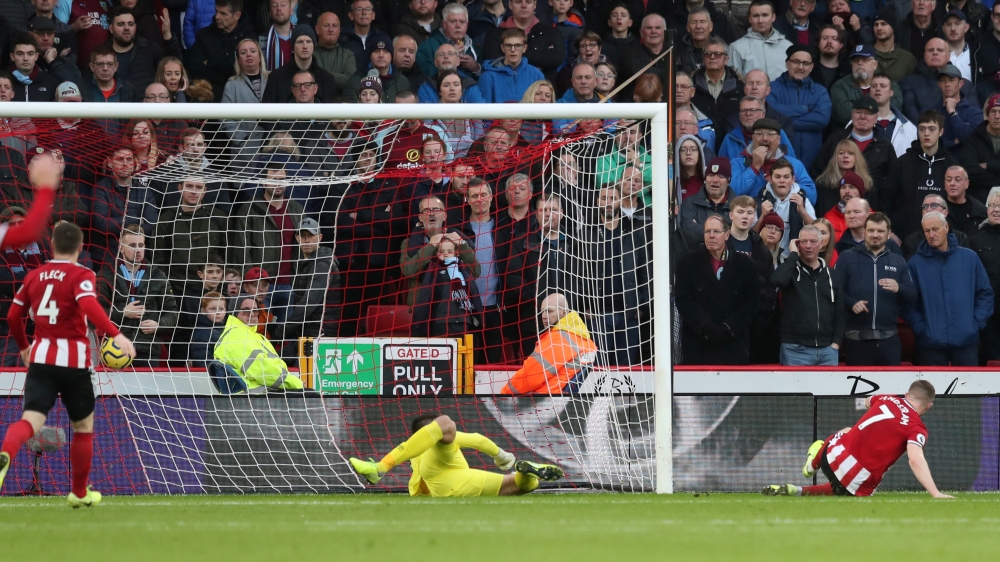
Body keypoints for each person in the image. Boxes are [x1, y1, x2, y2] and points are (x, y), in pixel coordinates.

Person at [0, 220, 137, 507]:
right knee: (83, 427)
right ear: (80, 247)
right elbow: (89, 306)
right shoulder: (82, 274)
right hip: (74, 362)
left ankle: (6, 454)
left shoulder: (35, 276)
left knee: (30, 421)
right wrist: (116, 334)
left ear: (51, 245)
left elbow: (13, 316)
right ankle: (78, 492)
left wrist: (24, 347)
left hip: (41, 359)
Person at [763, 380, 952, 498]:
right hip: (858, 482)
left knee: (846, 431)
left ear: (906, 394)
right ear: (929, 406)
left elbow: (866, 402)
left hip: (832, 456)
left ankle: (807, 474)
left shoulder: (886, 398)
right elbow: (915, 459)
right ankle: (807, 475)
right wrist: (935, 493)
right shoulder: (917, 427)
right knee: (848, 486)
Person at [349, 413, 563, 495]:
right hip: (461, 478)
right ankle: (525, 471)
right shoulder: (436, 443)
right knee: (445, 422)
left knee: (518, 486)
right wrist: (501, 456)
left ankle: (379, 469)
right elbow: (478, 439)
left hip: (447, 485)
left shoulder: (412, 448)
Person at [904, 211, 994, 365]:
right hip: (930, 345)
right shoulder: (915, 264)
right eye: (927, 231)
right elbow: (908, 302)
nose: (931, 234)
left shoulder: (969, 258)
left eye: (935, 229)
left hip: (966, 343)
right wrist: (922, 330)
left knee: (967, 389)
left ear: (946, 227)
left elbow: (985, 294)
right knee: (932, 389)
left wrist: (974, 325)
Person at [675, 214, 760, 365]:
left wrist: (727, 329)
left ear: (727, 234)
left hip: (733, 341)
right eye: (707, 232)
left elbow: (750, 303)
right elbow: (684, 300)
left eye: (716, 231)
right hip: (698, 341)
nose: (711, 236)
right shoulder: (687, 262)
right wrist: (706, 327)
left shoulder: (746, 265)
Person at [833, 212, 916, 365]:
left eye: (880, 231)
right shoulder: (847, 257)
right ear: (864, 232)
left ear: (889, 234)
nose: (875, 235)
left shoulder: (898, 261)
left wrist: (899, 288)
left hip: (889, 338)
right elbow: (834, 291)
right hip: (856, 338)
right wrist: (851, 303)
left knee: (890, 388)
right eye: (871, 230)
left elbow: (912, 296)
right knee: (857, 388)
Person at [98, 224, 179, 368]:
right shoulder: (106, 275)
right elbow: (96, 313)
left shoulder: (158, 276)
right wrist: (123, 313)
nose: (138, 250)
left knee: (147, 391)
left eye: (141, 245)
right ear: (121, 248)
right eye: (132, 245)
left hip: (147, 349)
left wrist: (158, 325)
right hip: (116, 348)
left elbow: (172, 313)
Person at [771, 224, 846, 366]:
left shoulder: (832, 274)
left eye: (813, 241)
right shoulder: (791, 270)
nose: (808, 246)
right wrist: (793, 255)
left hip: (827, 350)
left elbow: (839, 312)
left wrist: (835, 343)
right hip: (795, 349)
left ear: (821, 243)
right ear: (797, 244)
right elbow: (777, 280)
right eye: (803, 242)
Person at [501, 292, 597, 393]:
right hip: (562, 400)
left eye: (549, 311)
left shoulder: (557, 340)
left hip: (543, 401)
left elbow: (529, 376)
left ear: (563, 313)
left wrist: (504, 394)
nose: (544, 316)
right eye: (542, 312)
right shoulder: (585, 340)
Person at [401, 195, 480, 306]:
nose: (431, 213)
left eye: (436, 209)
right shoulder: (408, 243)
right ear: (420, 217)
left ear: (444, 215)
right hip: (422, 307)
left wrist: (462, 245)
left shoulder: (457, 240)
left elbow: (476, 272)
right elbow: (408, 271)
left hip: (453, 307)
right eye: (426, 211)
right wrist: (431, 245)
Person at [214, 295, 304, 391]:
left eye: (255, 310)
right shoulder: (235, 336)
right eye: (246, 310)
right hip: (254, 396)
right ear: (234, 312)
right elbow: (262, 371)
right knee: (311, 395)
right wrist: (296, 383)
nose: (252, 314)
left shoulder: (252, 335)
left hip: (262, 393)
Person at [768, 44, 832, 168]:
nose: (800, 67)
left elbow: (822, 119)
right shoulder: (772, 88)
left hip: (813, 162)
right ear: (787, 63)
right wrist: (806, 109)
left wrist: (785, 122)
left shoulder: (820, 91)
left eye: (805, 63)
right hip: (780, 160)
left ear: (811, 67)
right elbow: (772, 115)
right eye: (796, 62)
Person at [188, 0, 257, 103]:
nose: (217, 17)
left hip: (242, 98)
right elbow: (194, 66)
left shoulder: (249, 37)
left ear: (237, 16)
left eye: (223, 13)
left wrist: (211, 63)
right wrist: (225, 75)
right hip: (210, 98)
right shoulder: (204, 35)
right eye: (216, 11)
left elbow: (246, 68)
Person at [481, 0, 565, 83]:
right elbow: (494, 62)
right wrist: (541, 60)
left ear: (535, 5)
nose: (524, 6)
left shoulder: (552, 33)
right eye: (518, 2)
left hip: (542, 92)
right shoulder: (494, 34)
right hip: (507, 90)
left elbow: (557, 58)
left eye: (528, 2)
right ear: (510, 4)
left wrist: (511, 56)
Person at [105, 5, 182, 94]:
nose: (126, 28)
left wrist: (167, 35)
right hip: (115, 106)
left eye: (130, 24)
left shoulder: (149, 49)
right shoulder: (103, 54)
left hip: (147, 105)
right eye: (121, 24)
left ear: (135, 27)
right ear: (111, 28)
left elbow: (175, 63)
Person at [753, 157, 816, 255]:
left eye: (786, 177)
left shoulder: (803, 201)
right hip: (764, 257)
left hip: (793, 259)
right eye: (777, 177)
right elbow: (751, 235)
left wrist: (802, 212)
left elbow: (816, 231)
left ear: (793, 180)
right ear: (769, 179)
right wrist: (762, 216)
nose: (782, 181)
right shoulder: (759, 201)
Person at [830, 43, 902, 128]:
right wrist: (877, 105)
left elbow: (894, 108)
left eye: (865, 60)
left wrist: (857, 107)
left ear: (875, 65)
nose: (860, 63)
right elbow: (843, 113)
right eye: (856, 60)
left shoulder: (890, 85)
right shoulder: (839, 86)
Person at [262, 25, 339, 103]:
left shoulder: (327, 79)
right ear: (293, 47)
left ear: (314, 46)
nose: (305, 46)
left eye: (308, 41)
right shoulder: (276, 78)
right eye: (300, 42)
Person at [691, 37, 744, 151]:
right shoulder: (691, 86)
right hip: (701, 147)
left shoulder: (739, 88)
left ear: (726, 59)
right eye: (708, 54)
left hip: (732, 145)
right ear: (703, 58)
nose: (712, 57)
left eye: (718, 54)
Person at [968, 187, 1000, 362]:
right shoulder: (974, 239)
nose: (996, 209)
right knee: (990, 358)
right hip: (987, 312)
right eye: (992, 205)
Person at [477, 28, 544, 103]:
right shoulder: (488, 77)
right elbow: (484, 111)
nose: (513, 49)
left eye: (518, 45)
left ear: (524, 48)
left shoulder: (536, 75)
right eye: (508, 45)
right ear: (502, 48)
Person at [718, 97, 796, 162]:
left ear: (763, 114)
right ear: (739, 115)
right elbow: (721, 170)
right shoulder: (730, 138)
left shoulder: (777, 133)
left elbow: (792, 164)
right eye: (744, 111)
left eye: (753, 110)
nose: (748, 114)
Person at [728, 0, 792, 79]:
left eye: (765, 15)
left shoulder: (787, 47)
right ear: (749, 18)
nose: (760, 21)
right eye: (756, 16)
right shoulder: (736, 48)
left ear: (773, 17)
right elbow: (733, 83)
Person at [616, 14, 671, 102]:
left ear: (665, 32)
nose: (653, 31)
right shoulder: (629, 53)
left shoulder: (674, 53)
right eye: (649, 28)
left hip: (666, 108)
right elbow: (638, 73)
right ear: (641, 33)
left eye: (658, 28)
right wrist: (667, 72)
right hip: (634, 109)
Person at [957, 93, 1000, 203]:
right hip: (978, 202)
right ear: (987, 114)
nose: (997, 116)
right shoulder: (974, 138)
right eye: (993, 111)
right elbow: (970, 171)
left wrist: (988, 165)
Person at [814, 140, 872, 218]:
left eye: (850, 153)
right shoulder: (823, 184)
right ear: (835, 157)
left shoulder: (867, 184)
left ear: (857, 158)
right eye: (841, 153)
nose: (845, 156)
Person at [680, 156, 734, 234]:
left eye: (721, 176)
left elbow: (737, 234)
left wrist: (700, 228)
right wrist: (722, 231)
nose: (715, 180)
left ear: (728, 181)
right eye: (711, 175)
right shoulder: (689, 203)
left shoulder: (738, 206)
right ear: (705, 179)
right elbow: (687, 232)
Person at [870, 73, 917, 157]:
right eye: (874, 86)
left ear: (891, 93)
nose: (877, 89)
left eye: (883, 86)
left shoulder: (909, 128)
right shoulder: (856, 123)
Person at [312, 12, 357, 92]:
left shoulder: (347, 55)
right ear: (317, 29)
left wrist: (320, 75)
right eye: (326, 26)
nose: (331, 30)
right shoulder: (310, 54)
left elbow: (351, 81)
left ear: (339, 31)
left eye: (335, 26)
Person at [8, 34, 60, 101]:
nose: (26, 58)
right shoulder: (3, 81)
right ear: (12, 57)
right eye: (20, 54)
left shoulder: (50, 82)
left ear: (36, 56)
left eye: (30, 54)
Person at [872, 7, 917, 84]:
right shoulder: (865, 55)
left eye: (884, 24)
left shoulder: (907, 59)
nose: (879, 28)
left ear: (893, 28)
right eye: (876, 24)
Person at [941, 165, 986, 235]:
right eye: (949, 180)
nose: (952, 183)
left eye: (957, 180)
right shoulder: (937, 209)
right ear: (945, 184)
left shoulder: (980, 211)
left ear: (966, 184)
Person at [188, 291, 226, 367]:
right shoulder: (202, 332)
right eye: (213, 309)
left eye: (221, 309)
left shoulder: (224, 329)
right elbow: (201, 361)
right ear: (203, 311)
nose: (217, 312)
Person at [810, 25, 851, 91]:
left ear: (841, 45)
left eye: (834, 39)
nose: (829, 41)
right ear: (818, 43)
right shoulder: (809, 68)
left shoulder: (848, 71)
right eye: (825, 38)